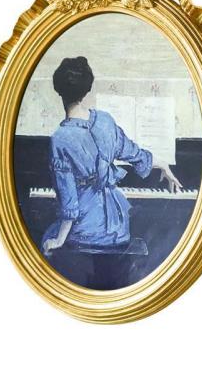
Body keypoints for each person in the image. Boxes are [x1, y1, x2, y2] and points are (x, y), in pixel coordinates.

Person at [41, 57, 182, 256]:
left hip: (85, 231)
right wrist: (163, 165)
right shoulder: (104, 120)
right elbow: (135, 154)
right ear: (87, 89)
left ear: (58, 90)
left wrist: (58, 240)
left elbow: (69, 202)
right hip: (118, 229)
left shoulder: (60, 138)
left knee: (47, 237)